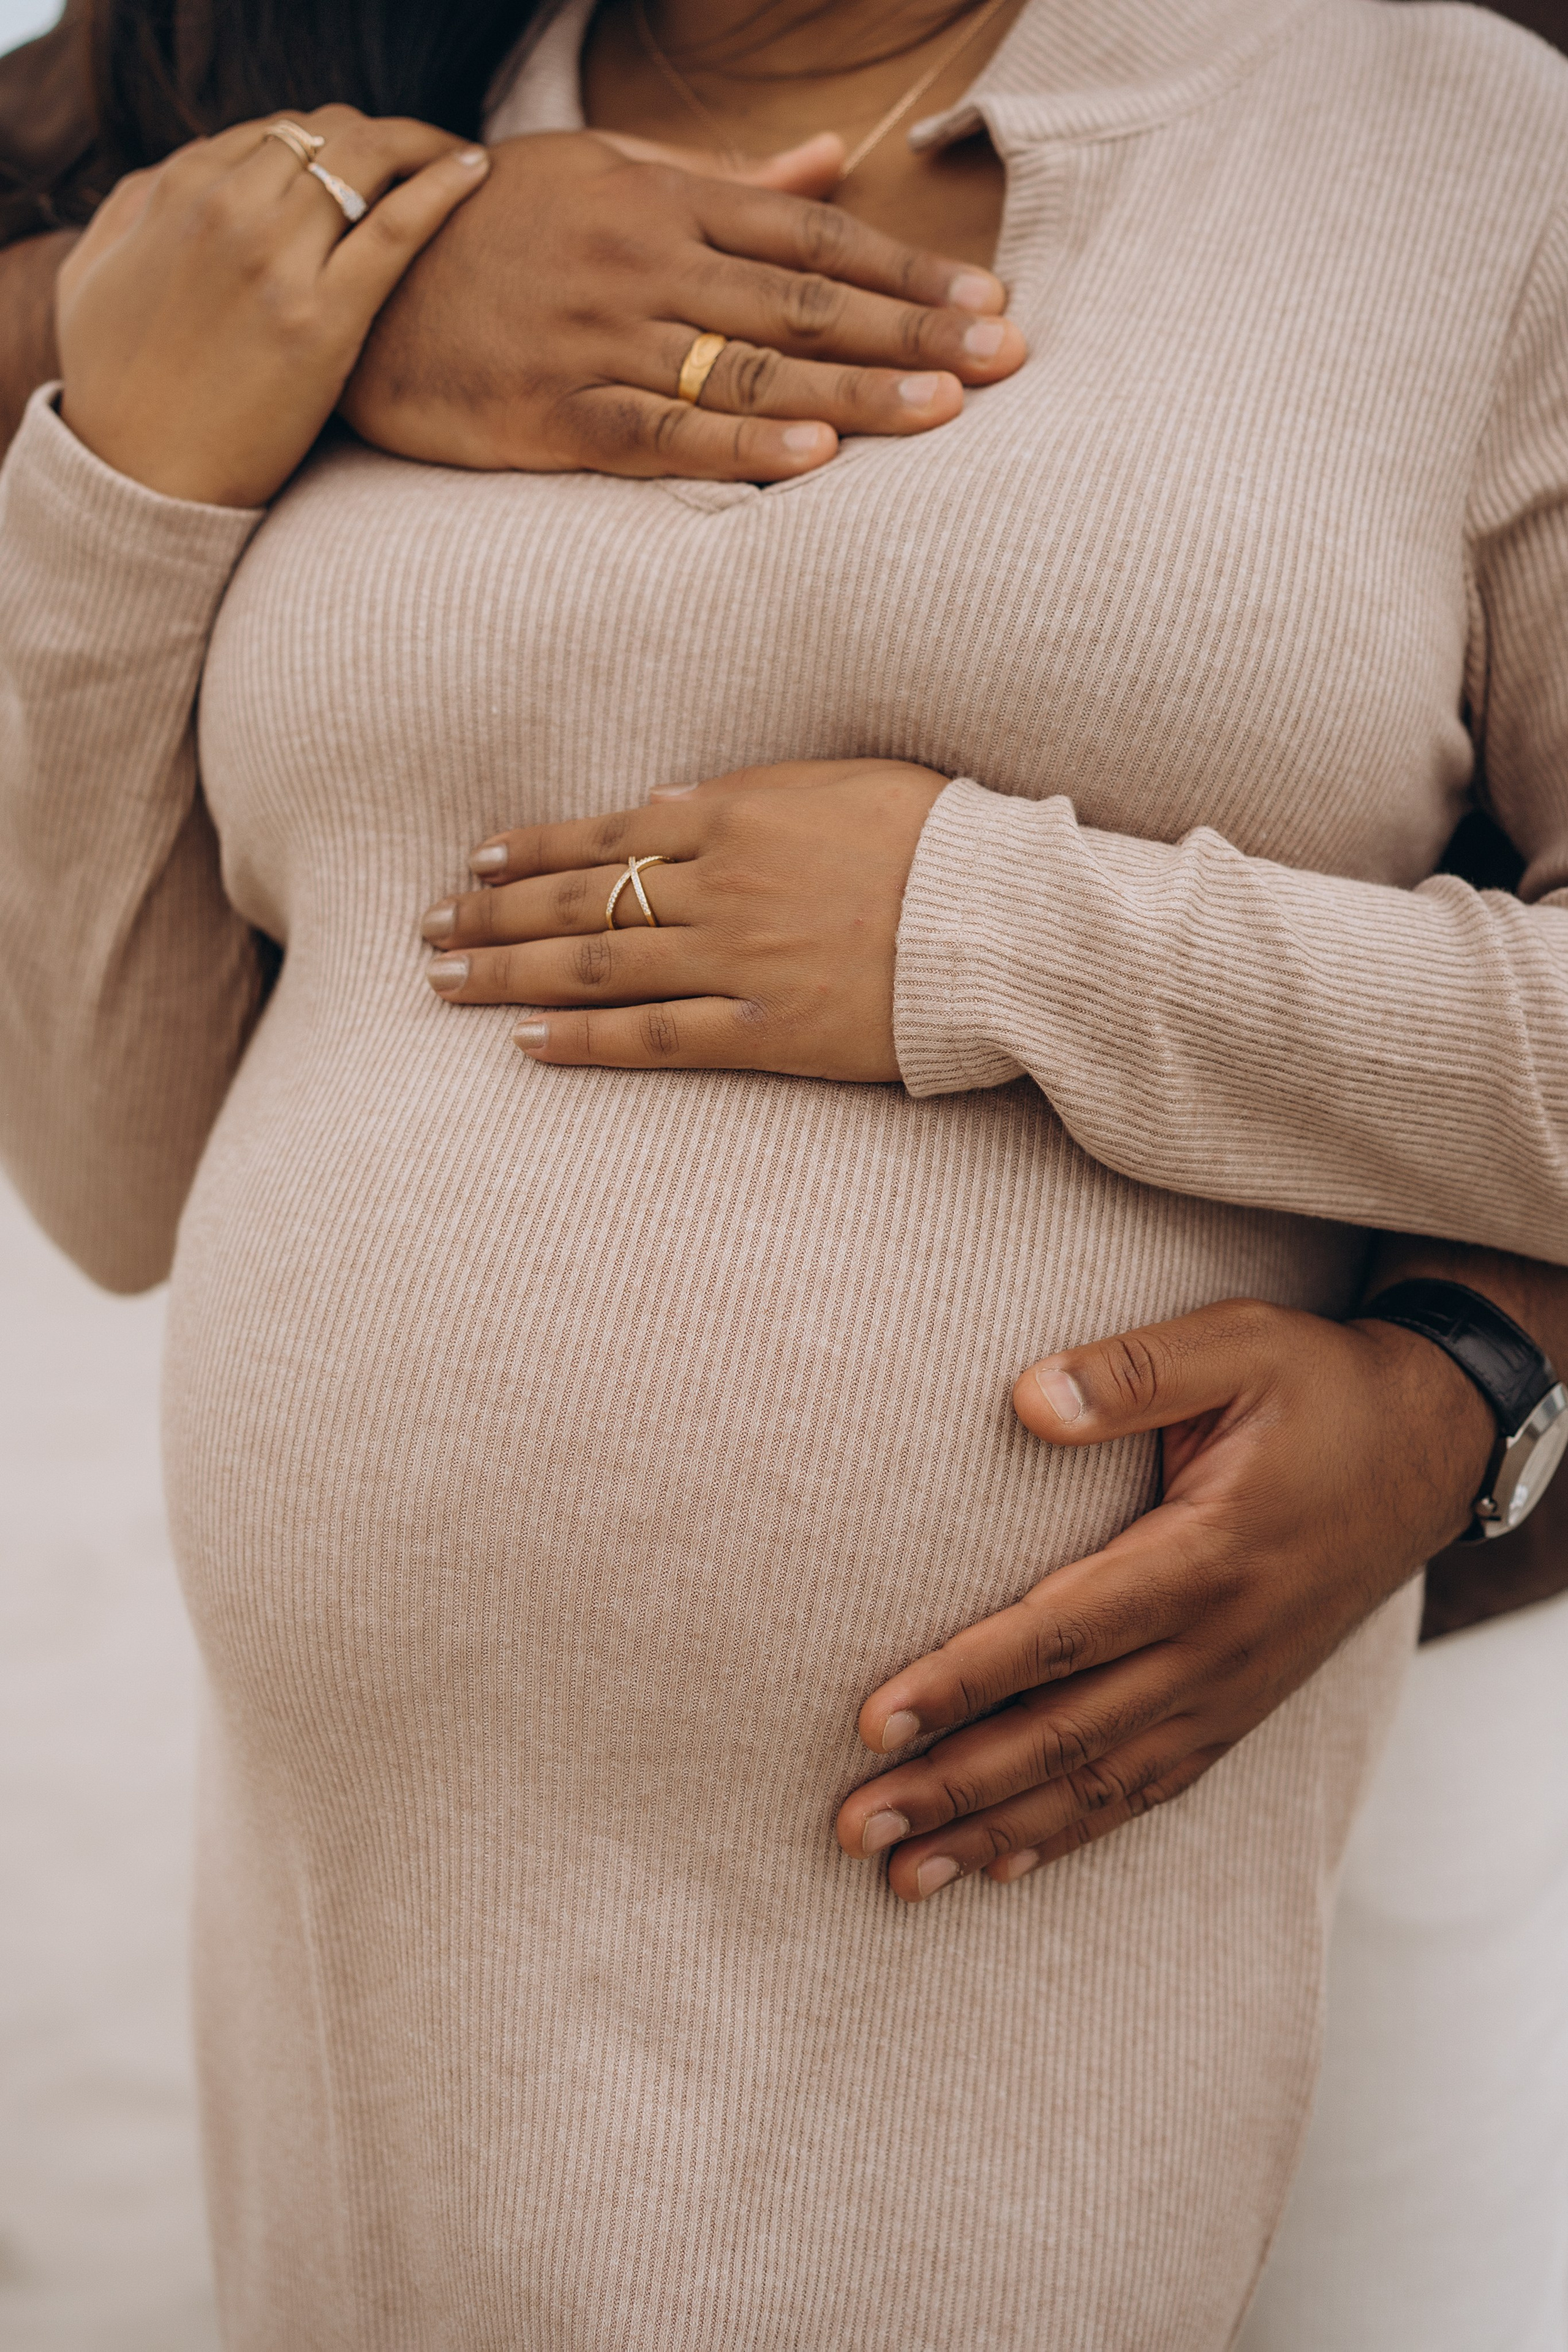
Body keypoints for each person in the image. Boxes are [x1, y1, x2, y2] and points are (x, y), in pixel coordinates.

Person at [3, 0, 1568, 2345]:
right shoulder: (373, 115)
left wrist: (988, 937)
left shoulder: (1463, 146)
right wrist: (133, 461)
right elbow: (112, 1166)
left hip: (1003, 1871)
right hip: (380, 1963)